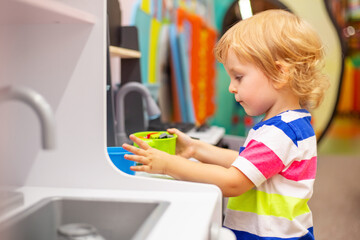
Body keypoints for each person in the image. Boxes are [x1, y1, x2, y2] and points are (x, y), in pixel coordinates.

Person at [122, 9, 329, 240]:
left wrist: (168, 165)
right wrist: (197, 148)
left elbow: (234, 182)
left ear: (280, 73)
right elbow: (249, 163)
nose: (231, 87)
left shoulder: (279, 132)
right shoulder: (292, 122)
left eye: (238, 77)